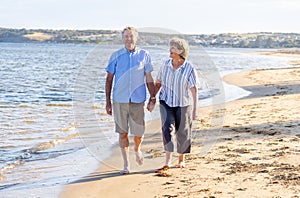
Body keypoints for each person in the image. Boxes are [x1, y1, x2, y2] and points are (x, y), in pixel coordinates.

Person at [105, 26, 156, 174]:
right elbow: (109, 80)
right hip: (119, 100)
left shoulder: (144, 55)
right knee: (122, 133)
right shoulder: (115, 56)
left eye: (131, 36)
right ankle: (126, 164)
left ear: (136, 38)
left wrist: (152, 98)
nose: (128, 39)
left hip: (138, 100)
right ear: (122, 38)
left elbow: (148, 77)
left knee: (138, 132)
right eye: (126, 36)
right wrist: (108, 102)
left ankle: (137, 148)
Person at [154, 37, 198, 171]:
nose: (170, 49)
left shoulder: (189, 68)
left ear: (181, 51)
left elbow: (194, 89)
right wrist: (151, 98)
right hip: (166, 101)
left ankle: (181, 159)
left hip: (183, 103)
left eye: (173, 47)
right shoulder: (165, 65)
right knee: (167, 130)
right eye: (170, 47)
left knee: (183, 132)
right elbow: (158, 83)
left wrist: (195, 109)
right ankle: (167, 160)